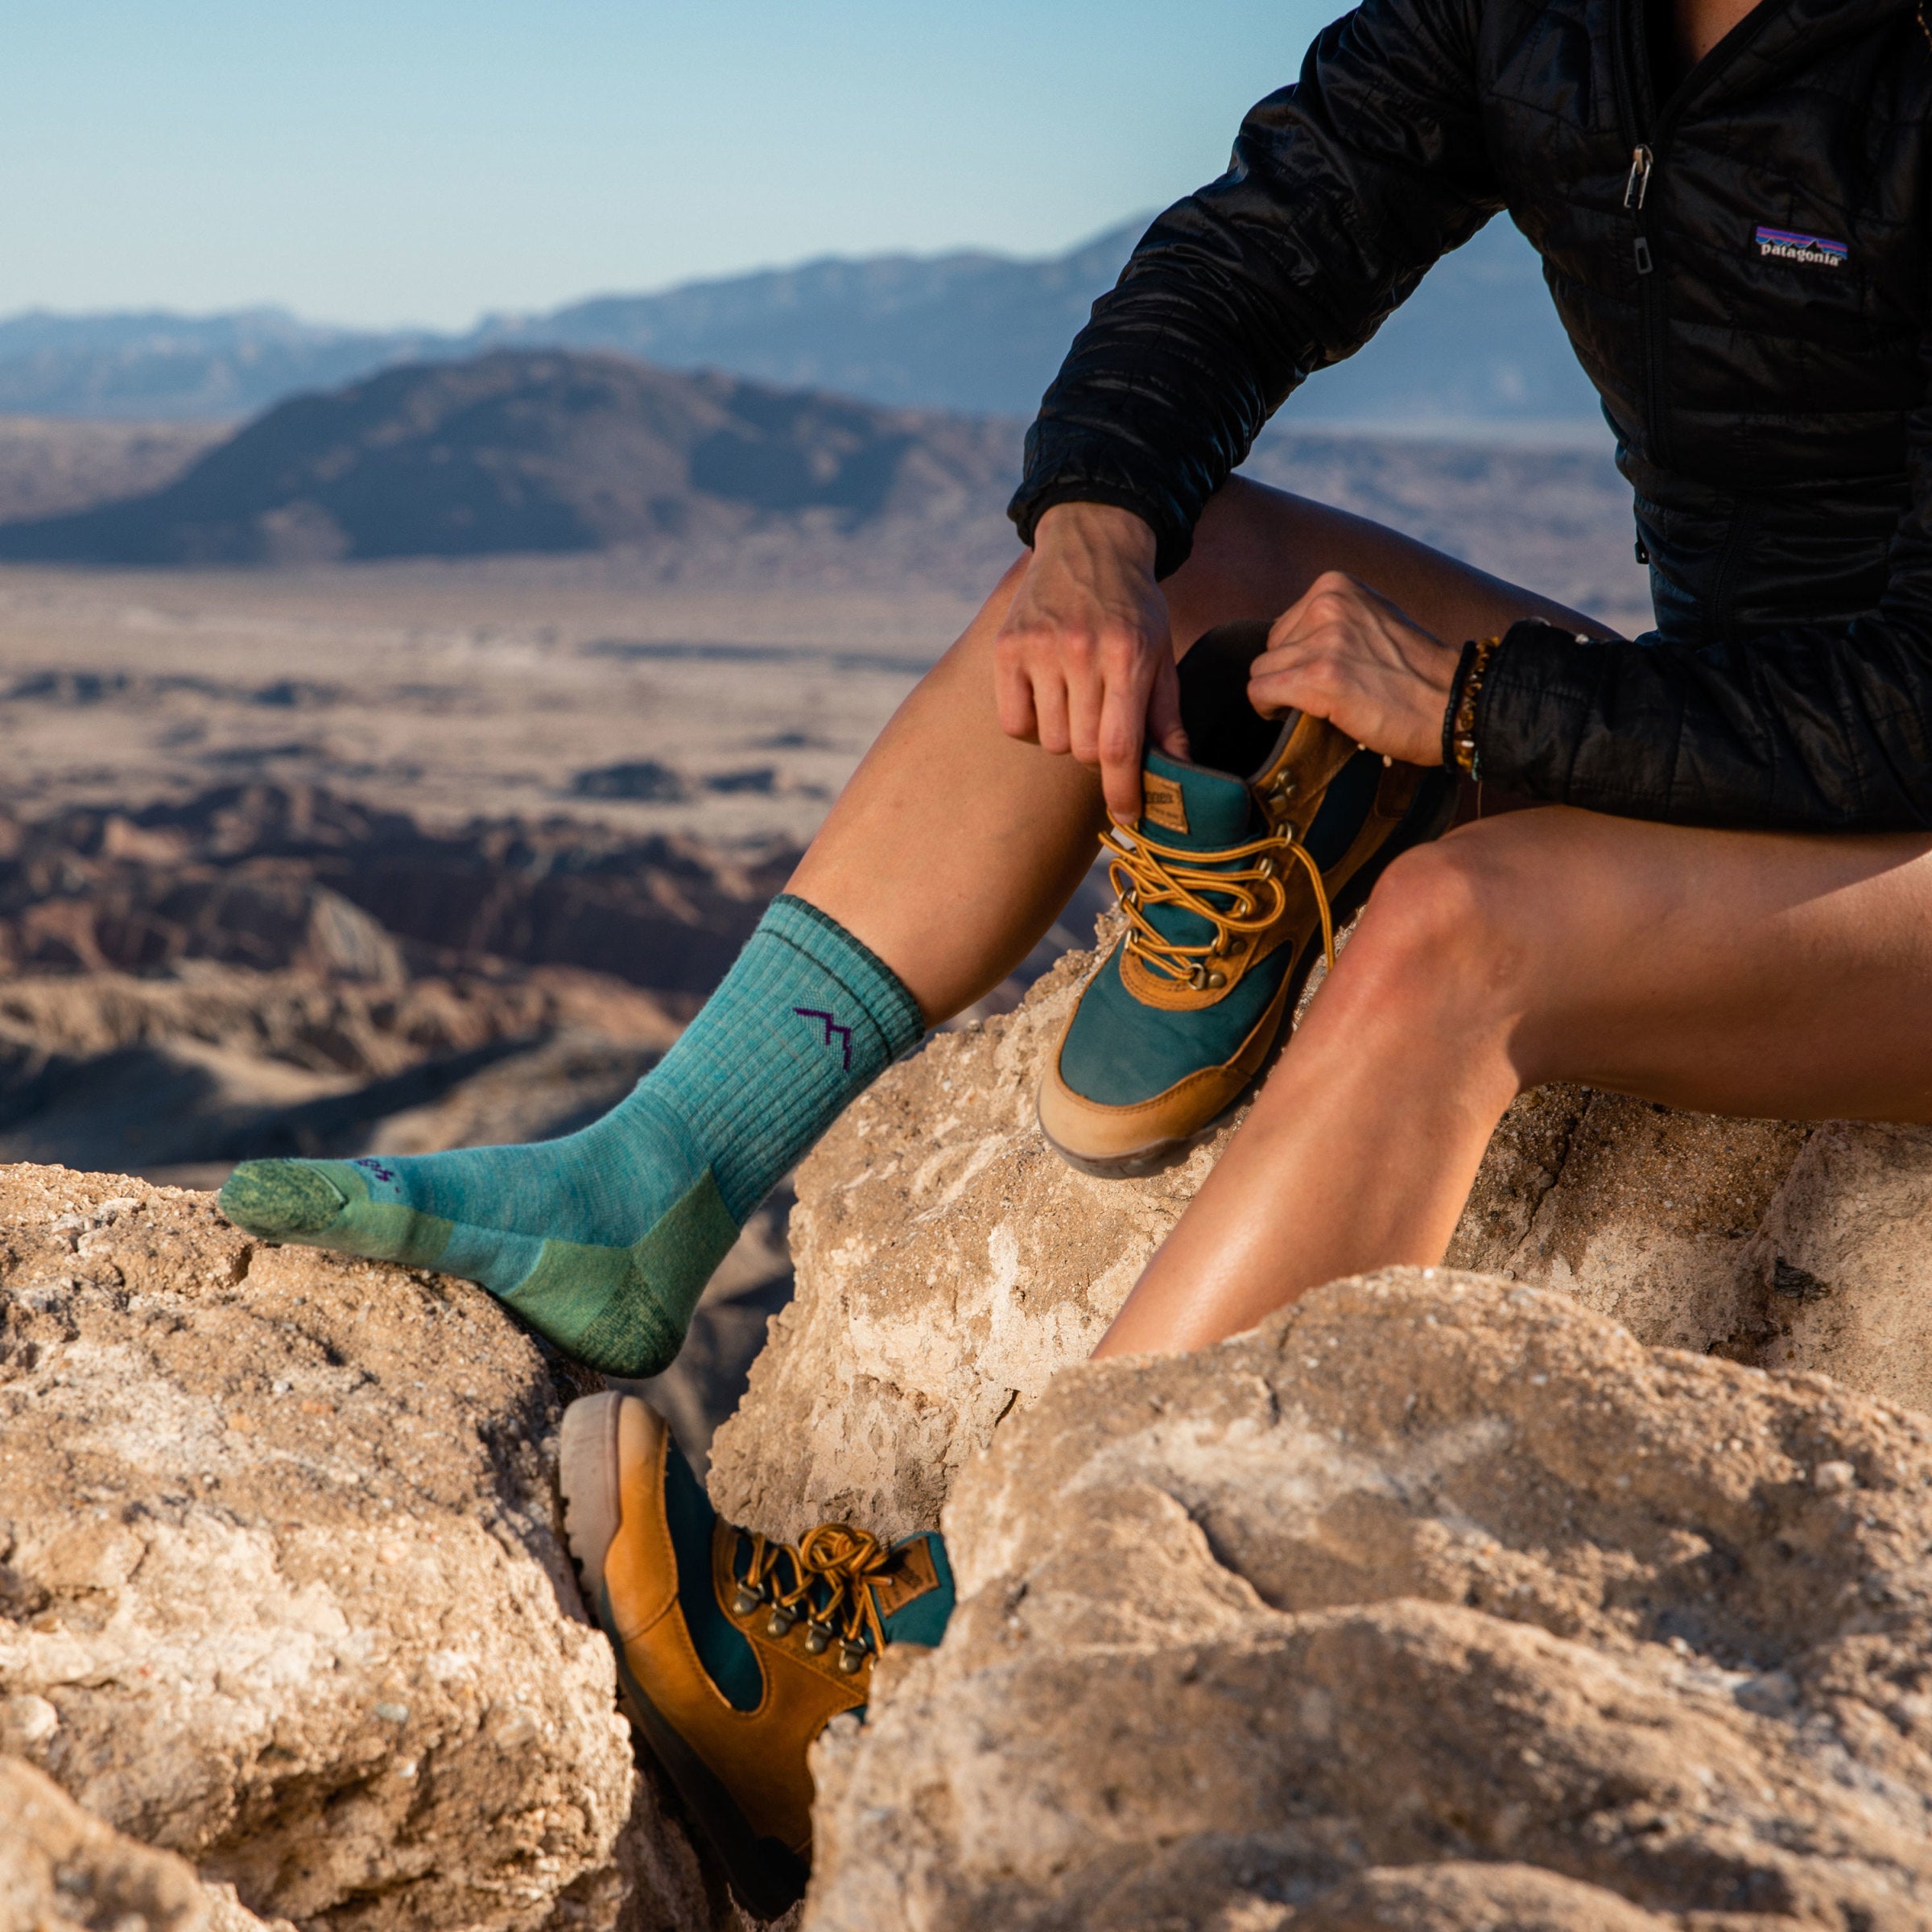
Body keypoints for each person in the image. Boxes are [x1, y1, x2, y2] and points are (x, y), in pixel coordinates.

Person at [219, 0, 1932, 1907]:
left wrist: (1481, 711)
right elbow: (1256, 242)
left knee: (1466, 930)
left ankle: (951, 1656)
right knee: (1161, 559)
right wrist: (1097, 524)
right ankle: (645, 1186)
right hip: (1745, 728)